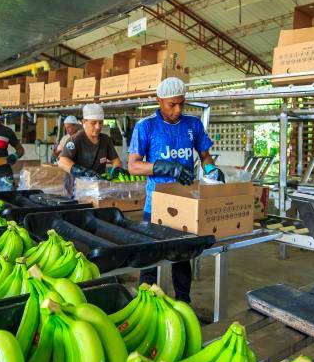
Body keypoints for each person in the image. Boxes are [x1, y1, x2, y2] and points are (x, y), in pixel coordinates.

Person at [127, 77, 224, 303]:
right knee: (149, 255)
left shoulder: (193, 125)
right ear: (159, 101)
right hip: (156, 204)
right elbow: (133, 165)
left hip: (185, 203)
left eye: (182, 103)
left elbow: (205, 156)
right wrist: (164, 167)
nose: (178, 109)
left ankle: (183, 301)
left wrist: (211, 169)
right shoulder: (146, 126)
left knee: (183, 255)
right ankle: (145, 301)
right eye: (172, 104)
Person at [57, 104, 125, 180]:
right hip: (77, 187)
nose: (98, 127)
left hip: (98, 185)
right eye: (93, 123)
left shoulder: (105, 140)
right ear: (84, 122)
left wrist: (115, 171)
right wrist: (84, 172)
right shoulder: (75, 140)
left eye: (100, 123)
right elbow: (62, 161)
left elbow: (116, 161)